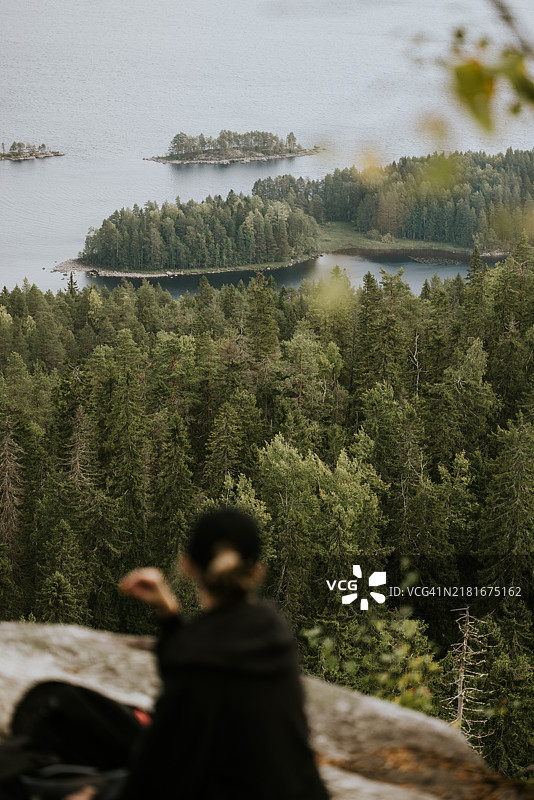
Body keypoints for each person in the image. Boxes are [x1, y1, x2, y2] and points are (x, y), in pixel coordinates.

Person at [67, 507, 329, 800]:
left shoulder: (193, 663)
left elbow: (153, 768)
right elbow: (201, 662)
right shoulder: (274, 632)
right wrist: (169, 614)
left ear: (187, 565)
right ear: (257, 570)